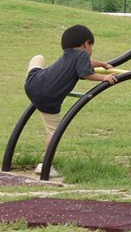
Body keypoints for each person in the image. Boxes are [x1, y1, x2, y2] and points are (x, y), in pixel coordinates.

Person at [25, 24, 118, 154]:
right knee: (53, 133)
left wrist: (103, 64)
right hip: (49, 97)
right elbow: (85, 73)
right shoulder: (82, 55)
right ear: (86, 44)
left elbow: (88, 63)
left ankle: (47, 165)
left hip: (33, 84)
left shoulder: (68, 54)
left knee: (38, 58)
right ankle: (46, 166)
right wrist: (104, 78)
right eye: (92, 46)